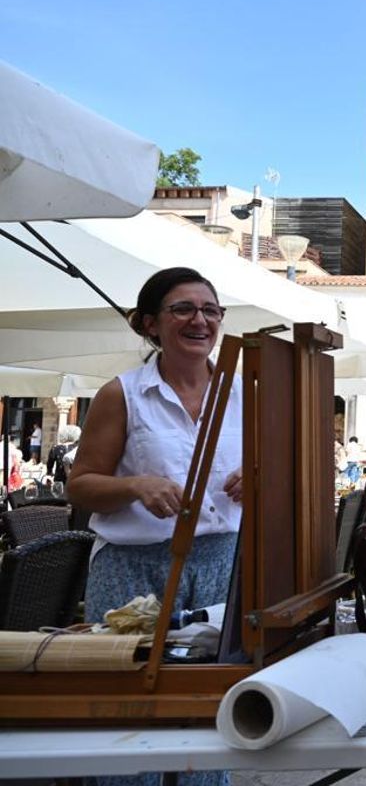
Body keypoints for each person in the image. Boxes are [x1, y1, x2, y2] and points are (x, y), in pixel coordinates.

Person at [70, 268, 242, 635]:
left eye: (211, 311)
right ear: (150, 324)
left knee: (211, 685)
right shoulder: (121, 394)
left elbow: (279, 471)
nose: (200, 320)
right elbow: (80, 486)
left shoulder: (246, 393)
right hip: (133, 568)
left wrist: (261, 475)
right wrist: (136, 486)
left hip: (224, 563)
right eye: (183, 309)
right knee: (125, 684)